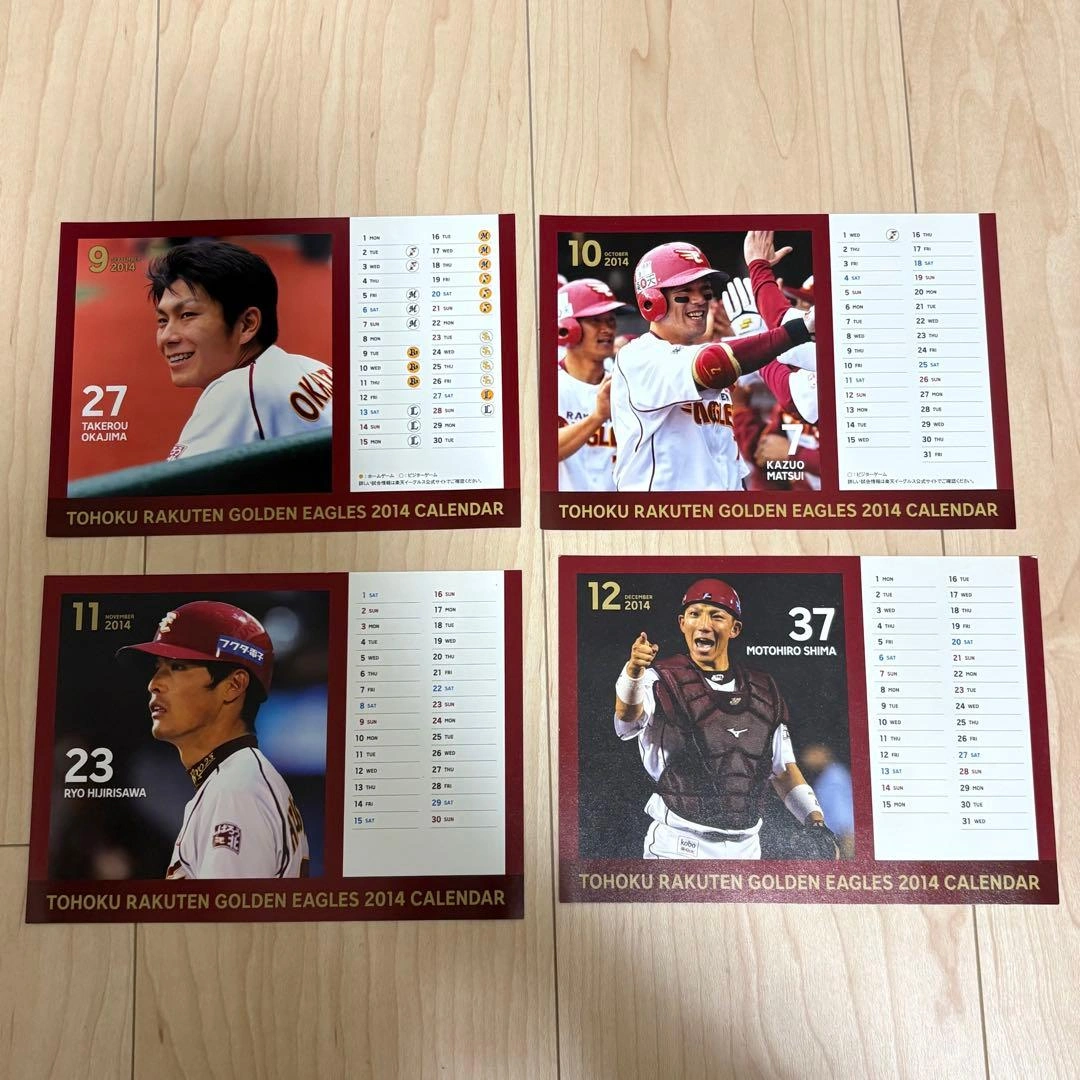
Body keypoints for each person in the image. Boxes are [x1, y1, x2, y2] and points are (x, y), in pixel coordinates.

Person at [613, 578, 838, 860]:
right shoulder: (656, 679)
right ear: (682, 623)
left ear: (734, 628)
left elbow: (782, 770)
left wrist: (815, 822)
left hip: (747, 848)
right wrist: (633, 671)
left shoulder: (763, 690)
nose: (704, 625)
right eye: (695, 614)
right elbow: (627, 716)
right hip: (678, 845)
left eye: (716, 616)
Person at [117, 600, 310, 879]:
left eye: (178, 667)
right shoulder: (234, 779)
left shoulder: (234, 793)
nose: (154, 683)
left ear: (234, 686)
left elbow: (226, 910)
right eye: (158, 667)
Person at [609, 233, 815, 490]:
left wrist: (767, 296)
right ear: (652, 301)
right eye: (684, 293)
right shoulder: (639, 356)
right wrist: (795, 330)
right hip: (666, 512)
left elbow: (794, 386)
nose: (699, 300)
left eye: (705, 292)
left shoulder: (706, 351)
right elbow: (713, 365)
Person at [148, 240, 333, 461]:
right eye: (162, 320)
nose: (167, 337)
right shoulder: (313, 367)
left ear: (246, 324)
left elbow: (177, 481)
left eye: (187, 315)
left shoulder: (237, 391)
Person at [556, 278, 627, 491]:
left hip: (617, 509)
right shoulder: (547, 385)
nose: (607, 329)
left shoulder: (624, 384)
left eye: (611, 320)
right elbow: (542, 452)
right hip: (566, 509)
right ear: (568, 328)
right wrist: (598, 417)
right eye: (596, 320)